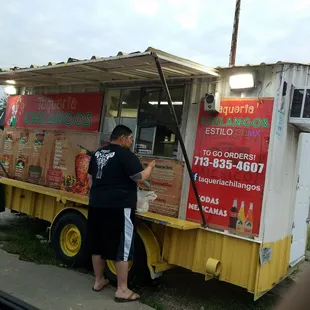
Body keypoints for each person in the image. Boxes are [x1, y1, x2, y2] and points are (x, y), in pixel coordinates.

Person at [87, 124, 155, 302]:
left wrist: (98, 195)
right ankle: (122, 290)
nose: (131, 142)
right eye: (131, 139)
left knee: (98, 244)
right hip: (119, 206)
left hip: (96, 204)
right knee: (122, 248)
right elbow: (139, 177)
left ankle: (98, 280)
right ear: (123, 138)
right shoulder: (126, 154)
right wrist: (150, 168)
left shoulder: (97, 153)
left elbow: (90, 179)